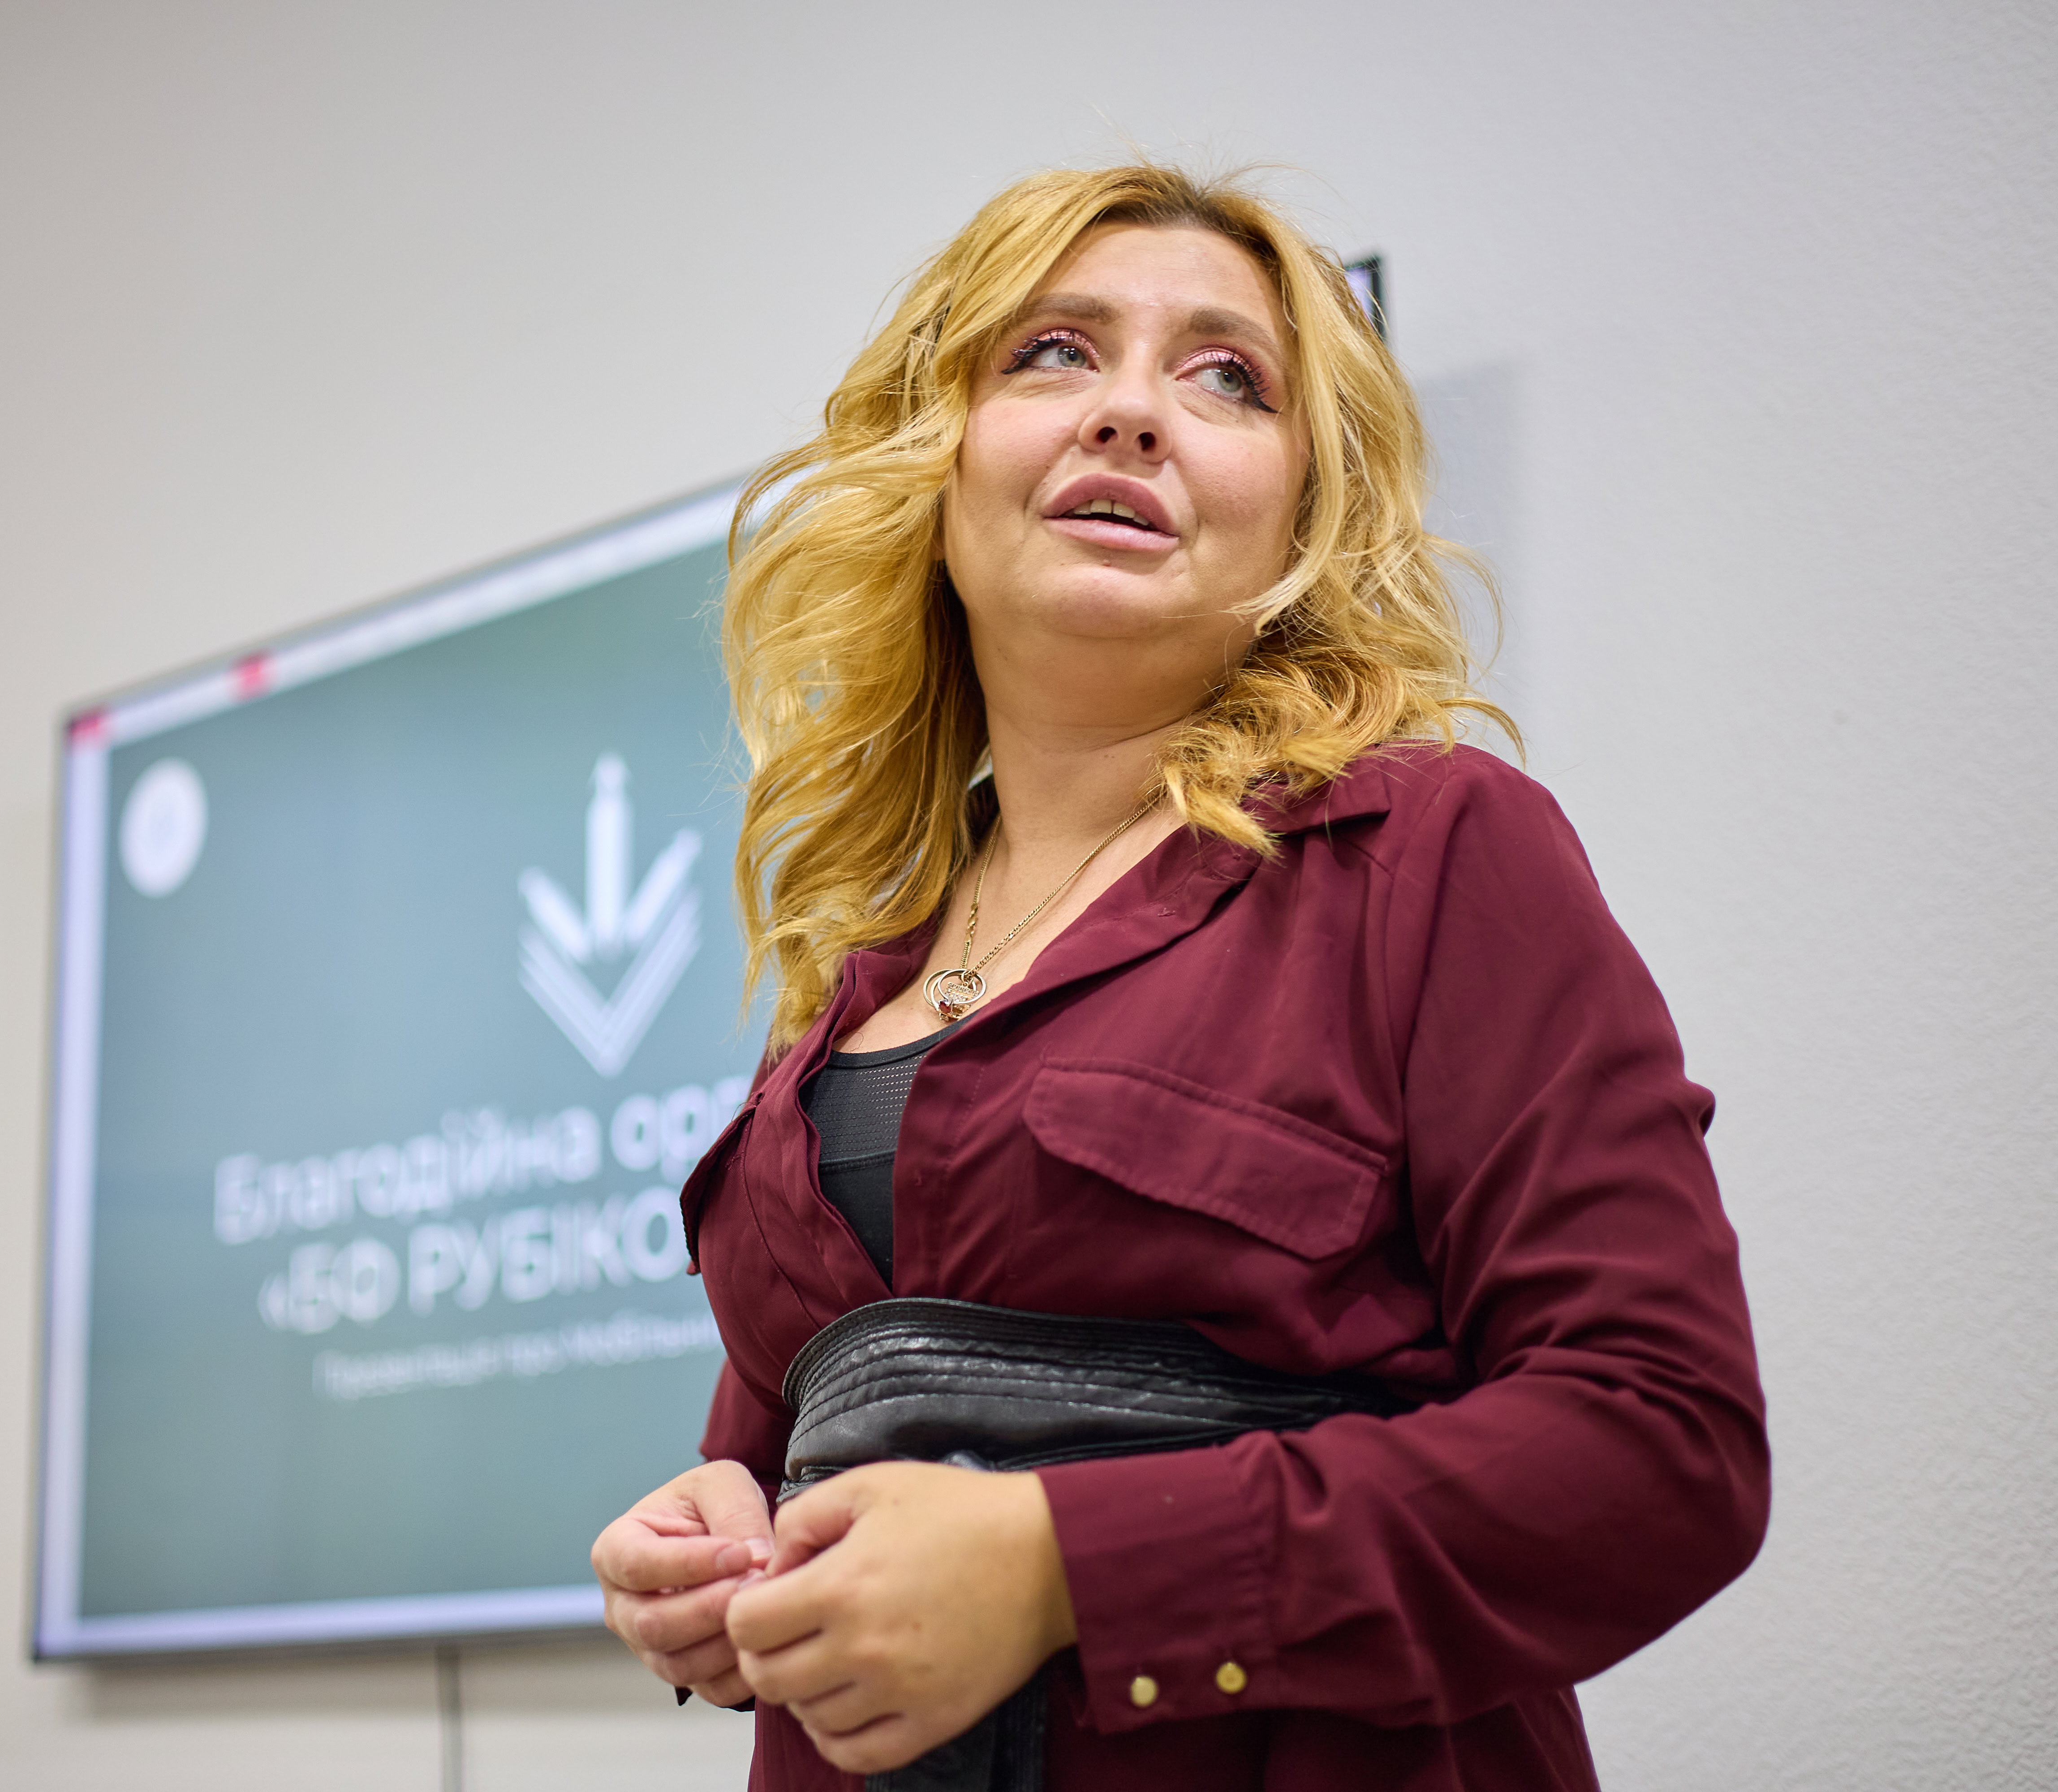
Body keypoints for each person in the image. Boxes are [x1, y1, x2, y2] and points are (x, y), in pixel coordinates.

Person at [590, 163, 1766, 1792]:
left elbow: (1663, 1446)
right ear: (937, 455)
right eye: (1054, 352)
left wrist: (1069, 1571)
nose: (1132, 411)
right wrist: (713, 1547)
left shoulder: (1433, 852)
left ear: (1304, 511)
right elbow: (796, 1456)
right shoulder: (855, 976)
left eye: (1227, 378)